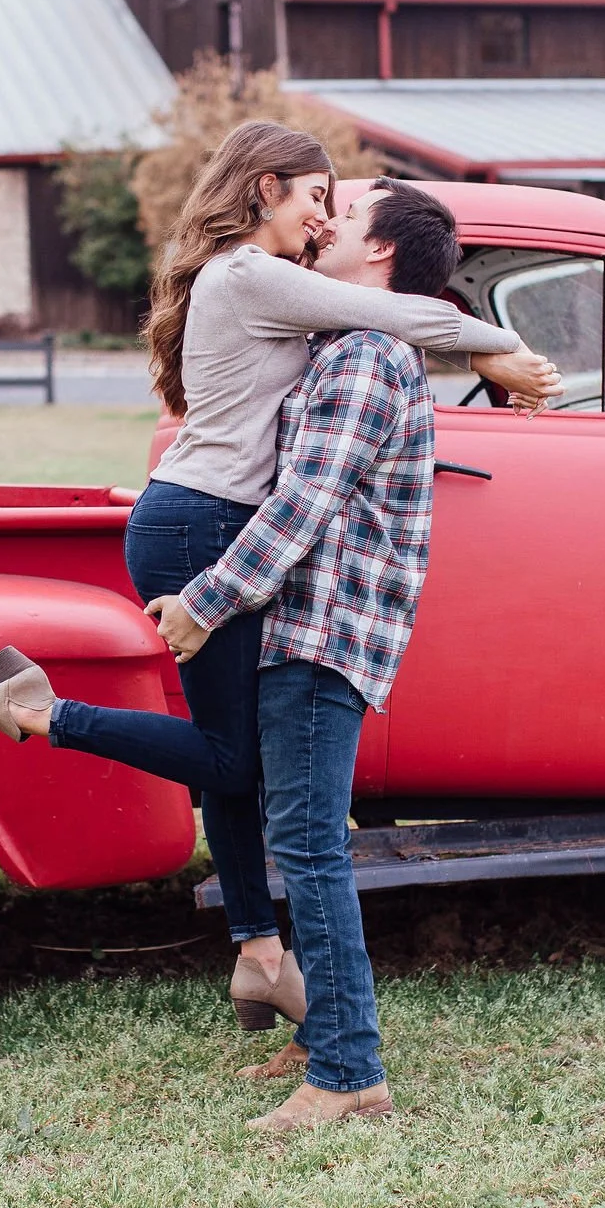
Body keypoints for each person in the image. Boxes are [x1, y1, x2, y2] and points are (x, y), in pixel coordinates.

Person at [0, 122, 559, 1040]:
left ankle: (260, 951)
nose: (321, 217)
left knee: (234, 759)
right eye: (315, 197)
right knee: (237, 760)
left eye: (335, 206)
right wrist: (497, 343)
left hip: (196, 514)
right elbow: (400, 315)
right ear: (264, 190)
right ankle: (37, 713)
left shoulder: (261, 284)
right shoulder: (252, 274)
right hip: (204, 522)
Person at [147, 177, 465, 1129]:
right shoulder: (337, 339)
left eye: (349, 215)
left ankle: (348, 1072)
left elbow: (300, 508)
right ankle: (322, 1034)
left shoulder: (368, 358)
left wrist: (205, 602)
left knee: (311, 849)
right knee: (303, 841)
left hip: (325, 632)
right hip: (302, 622)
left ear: (380, 256)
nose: (325, 222)